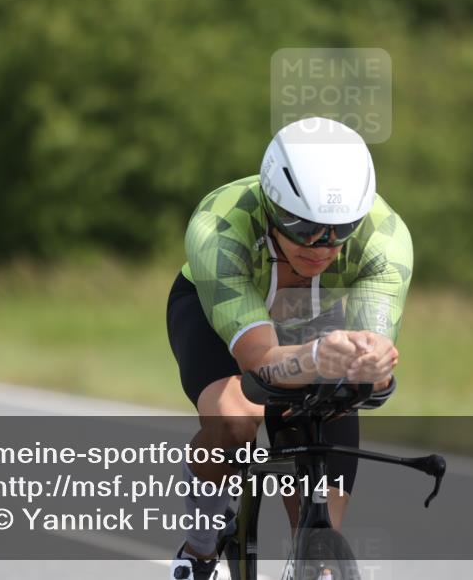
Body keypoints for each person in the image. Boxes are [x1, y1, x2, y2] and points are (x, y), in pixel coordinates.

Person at [167, 117, 413, 579]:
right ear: (271, 205)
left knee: (331, 415)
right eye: (302, 227)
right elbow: (259, 364)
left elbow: (375, 358)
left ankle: (312, 559)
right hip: (221, 315)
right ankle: (199, 546)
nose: (322, 246)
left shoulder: (385, 237)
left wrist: (375, 364)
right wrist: (317, 358)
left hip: (318, 320)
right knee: (237, 419)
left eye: (341, 229)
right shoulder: (219, 225)